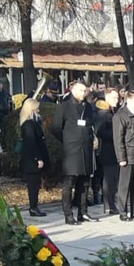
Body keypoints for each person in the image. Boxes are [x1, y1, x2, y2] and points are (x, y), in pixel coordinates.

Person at [50, 78, 96, 224]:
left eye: (85, 90)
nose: (83, 93)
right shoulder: (64, 106)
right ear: (73, 90)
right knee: (69, 183)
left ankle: (83, 212)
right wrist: (67, 140)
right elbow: (56, 128)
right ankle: (68, 214)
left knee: (84, 182)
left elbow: (90, 125)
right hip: (71, 150)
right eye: (81, 90)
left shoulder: (88, 107)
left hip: (86, 149)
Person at [114, 89, 134, 222]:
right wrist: (121, 158)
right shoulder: (121, 115)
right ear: (129, 100)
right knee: (125, 184)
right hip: (128, 154)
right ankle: (123, 210)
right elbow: (118, 138)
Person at [18, 98, 49, 217]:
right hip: (32, 160)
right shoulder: (29, 125)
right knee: (33, 185)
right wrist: (38, 158)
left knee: (35, 184)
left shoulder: (31, 123)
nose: (39, 110)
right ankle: (33, 207)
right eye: (36, 108)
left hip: (32, 159)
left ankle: (35, 206)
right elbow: (32, 143)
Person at [93, 88, 119, 215]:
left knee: (113, 179)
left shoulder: (112, 112)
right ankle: (109, 205)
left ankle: (111, 203)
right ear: (107, 98)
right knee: (109, 179)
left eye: (117, 98)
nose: (116, 100)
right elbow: (99, 132)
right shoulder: (103, 113)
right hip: (107, 150)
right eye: (114, 98)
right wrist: (116, 134)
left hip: (113, 150)